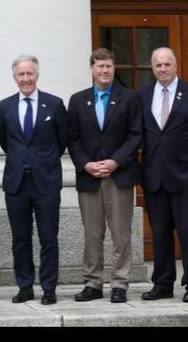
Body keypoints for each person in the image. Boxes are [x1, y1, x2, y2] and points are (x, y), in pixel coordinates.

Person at [68, 48, 142, 304]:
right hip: (89, 176)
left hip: (119, 175)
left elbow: (136, 135)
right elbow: (73, 139)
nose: (105, 71)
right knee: (92, 232)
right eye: (100, 66)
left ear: (114, 68)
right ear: (92, 69)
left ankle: (120, 283)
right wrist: (86, 164)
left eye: (109, 66)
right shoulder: (77, 100)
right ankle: (92, 282)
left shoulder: (130, 98)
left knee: (121, 232)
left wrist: (115, 162)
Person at [138, 47, 188, 303]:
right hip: (154, 177)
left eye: (167, 64)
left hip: (186, 177)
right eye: (158, 65)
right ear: (152, 67)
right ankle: (163, 283)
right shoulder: (143, 95)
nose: (163, 69)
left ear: (176, 65)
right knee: (160, 234)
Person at [0, 54, 69, 305]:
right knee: (20, 237)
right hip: (16, 182)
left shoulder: (55, 104)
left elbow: (62, 141)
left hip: (46, 181)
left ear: (37, 76)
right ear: (14, 77)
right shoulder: (5, 106)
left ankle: (49, 287)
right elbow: (6, 141)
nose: (25, 78)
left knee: (49, 237)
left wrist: (43, 160)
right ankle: (25, 285)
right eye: (21, 74)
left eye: (30, 74)